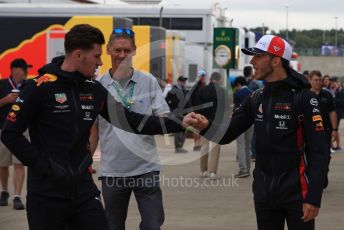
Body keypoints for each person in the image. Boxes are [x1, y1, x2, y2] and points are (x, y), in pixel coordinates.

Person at [0, 24, 202, 230]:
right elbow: (10, 134)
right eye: (97, 56)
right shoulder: (37, 88)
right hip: (47, 192)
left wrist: (179, 122)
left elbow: (132, 121)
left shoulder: (94, 90)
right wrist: (43, 166)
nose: (101, 62)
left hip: (83, 189)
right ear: (79, 55)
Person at [201, 35, 329, 230]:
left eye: (258, 56)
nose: (252, 62)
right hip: (264, 195)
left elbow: (320, 152)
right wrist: (203, 125)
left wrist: (314, 197)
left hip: (297, 195)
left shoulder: (304, 99)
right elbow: (227, 134)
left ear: (276, 60)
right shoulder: (256, 97)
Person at [90, 27, 170, 230]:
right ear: (108, 50)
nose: (122, 55)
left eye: (127, 50)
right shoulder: (98, 86)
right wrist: (85, 161)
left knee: (153, 226)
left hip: (146, 169)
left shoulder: (148, 82)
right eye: (117, 50)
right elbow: (93, 130)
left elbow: (163, 118)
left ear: (134, 50)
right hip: (113, 172)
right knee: (113, 225)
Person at [0, 58, 29, 210]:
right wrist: (6, 100)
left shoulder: (29, 85)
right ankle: (4, 191)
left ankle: (17, 195)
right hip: (3, 129)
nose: (27, 71)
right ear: (14, 70)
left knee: (19, 163)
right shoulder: (2, 84)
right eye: (24, 68)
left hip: (22, 130)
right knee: (2, 164)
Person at [309, 70, 337, 188]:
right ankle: (313, 177)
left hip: (325, 130)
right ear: (310, 80)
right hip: (310, 131)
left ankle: (324, 172)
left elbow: (332, 112)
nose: (318, 82)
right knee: (310, 156)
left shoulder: (327, 95)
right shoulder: (305, 95)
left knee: (326, 155)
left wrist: (334, 129)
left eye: (319, 80)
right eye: (315, 80)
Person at [198, 72, 228, 179]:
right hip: (216, 121)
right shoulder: (221, 91)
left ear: (211, 79)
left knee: (204, 146)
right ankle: (212, 172)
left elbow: (197, 105)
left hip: (203, 120)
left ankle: (203, 170)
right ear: (219, 79)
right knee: (215, 147)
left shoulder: (202, 90)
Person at [233, 76, 252, 178]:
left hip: (239, 122)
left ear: (238, 84)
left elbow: (235, 109)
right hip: (250, 122)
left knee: (241, 145)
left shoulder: (237, 93)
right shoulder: (252, 92)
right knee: (248, 146)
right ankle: (248, 169)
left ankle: (242, 169)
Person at [166, 75, 191, 153]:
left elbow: (189, 102)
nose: (184, 82)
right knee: (177, 130)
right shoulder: (172, 91)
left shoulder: (186, 91)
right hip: (176, 113)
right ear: (178, 81)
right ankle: (178, 147)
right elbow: (167, 101)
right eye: (182, 81)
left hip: (185, 113)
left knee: (184, 129)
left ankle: (181, 146)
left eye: (184, 81)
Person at [189, 70, 207, 151]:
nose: (203, 78)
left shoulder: (204, 86)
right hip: (197, 110)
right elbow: (191, 100)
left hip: (201, 110)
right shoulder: (196, 87)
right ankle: (196, 144)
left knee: (200, 128)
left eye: (204, 76)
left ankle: (198, 144)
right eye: (202, 76)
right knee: (196, 128)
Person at [330, 76, 344, 151]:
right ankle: (332, 146)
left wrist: (334, 100)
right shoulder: (332, 90)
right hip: (334, 113)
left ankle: (336, 146)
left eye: (334, 82)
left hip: (338, 113)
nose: (332, 84)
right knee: (334, 129)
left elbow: (342, 101)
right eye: (331, 82)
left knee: (335, 129)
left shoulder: (341, 90)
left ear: (337, 82)